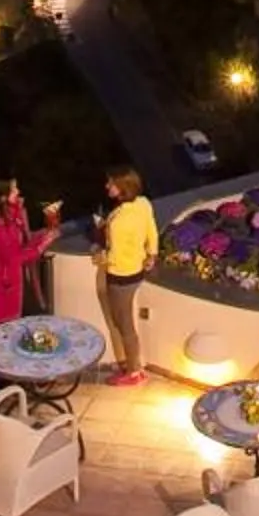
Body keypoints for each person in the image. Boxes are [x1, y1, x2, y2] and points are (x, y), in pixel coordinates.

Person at [97, 164, 157, 384]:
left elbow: (113, 255)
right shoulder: (143, 204)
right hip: (136, 271)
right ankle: (133, 366)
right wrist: (152, 253)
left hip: (121, 275)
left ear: (122, 187)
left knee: (123, 323)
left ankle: (134, 371)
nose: (107, 186)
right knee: (125, 320)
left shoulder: (119, 222)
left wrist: (100, 256)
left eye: (110, 183)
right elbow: (151, 228)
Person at [0, 176, 57, 329]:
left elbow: (23, 245)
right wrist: (41, 246)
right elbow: (13, 258)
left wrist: (45, 236)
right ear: (2, 197)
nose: (18, 192)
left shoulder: (14, 217)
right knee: (4, 335)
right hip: (2, 287)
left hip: (16, 282)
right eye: (14, 189)